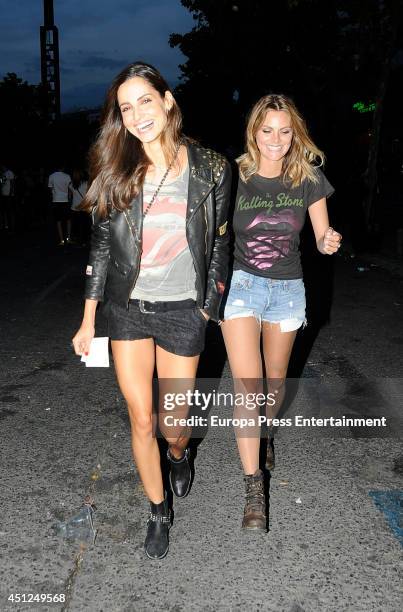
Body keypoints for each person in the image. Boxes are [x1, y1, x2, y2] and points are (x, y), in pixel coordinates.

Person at [72, 62, 231, 559]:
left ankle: (179, 455)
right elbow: (100, 249)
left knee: (173, 424)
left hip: (183, 309)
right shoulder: (115, 168)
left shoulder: (211, 167)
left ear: (167, 101)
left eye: (145, 100)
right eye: (126, 106)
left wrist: (209, 309)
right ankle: (158, 509)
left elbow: (222, 245)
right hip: (128, 310)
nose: (137, 113)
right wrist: (87, 319)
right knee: (141, 419)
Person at [221, 94, 341, 531]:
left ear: (295, 134)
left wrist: (328, 241)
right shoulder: (233, 177)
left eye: (285, 131)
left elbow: (322, 230)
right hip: (240, 288)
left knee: (273, 385)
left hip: (288, 291)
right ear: (254, 131)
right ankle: (254, 485)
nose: (276, 139)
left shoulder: (308, 178)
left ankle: (265, 432)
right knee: (247, 388)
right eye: (267, 130)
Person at [48, 166, 72, 245]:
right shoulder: (67, 176)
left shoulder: (51, 176)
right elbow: (70, 189)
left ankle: (61, 240)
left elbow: (50, 189)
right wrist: (69, 197)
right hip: (65, 200)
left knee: (59, 221)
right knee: (68, 220)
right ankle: (68, 238)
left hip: (56, 200)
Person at [69, 169, 89, 245]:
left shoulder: (71, 184)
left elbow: (70, 196)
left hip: (75, 207)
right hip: (84, 206)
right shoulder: (86, 183)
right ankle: (84, 240)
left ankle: (77, 240)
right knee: (85, 225)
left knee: (76, 225)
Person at [0, 164, 16, 231]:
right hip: (3, 194)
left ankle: (11, 227)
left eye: (3, 167)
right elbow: (1, 182)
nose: (2, 168)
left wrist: (11, 193)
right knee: (4, 211)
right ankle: (5, 226)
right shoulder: (3, 173)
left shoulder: (10, 172)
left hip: (8, 195)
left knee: (9, 211)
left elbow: (12, 183)